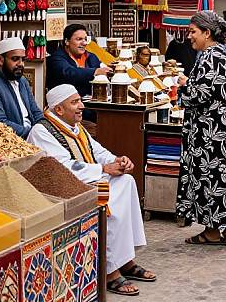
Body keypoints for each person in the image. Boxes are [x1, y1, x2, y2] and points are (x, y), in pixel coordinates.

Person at [28, 84, 155, 296]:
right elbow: (62, 168)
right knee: (110, 199)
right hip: (62, 188)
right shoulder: (42, 131)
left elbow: (97, 150)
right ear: (59, 109)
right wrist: (104, 169)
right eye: (75, 102)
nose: (81, 106)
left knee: (126, 182)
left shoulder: (74, 126)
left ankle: (124, 260)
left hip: (86, 179)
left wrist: (117, 161)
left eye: (79, 100)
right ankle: (109, 270)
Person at [176, 11, 226, 245]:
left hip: (211, 132)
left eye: (192, 32)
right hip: (224, 129)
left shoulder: (210, 56)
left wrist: (183, 88)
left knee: (211, 178)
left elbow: (200, 94)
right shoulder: (225, 54)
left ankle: (212, 231)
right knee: (223, 177)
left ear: (207, 33)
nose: (189, 37)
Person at [0, 37, 44, 138]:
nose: (20, 64)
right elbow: (0, 124)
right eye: (15, 59)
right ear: (1, 60)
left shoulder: (23, 81)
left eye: (23, 59)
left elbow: (35, 112)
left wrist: (46, 129)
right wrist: (34, 134)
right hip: (15, 140)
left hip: (33, 135)